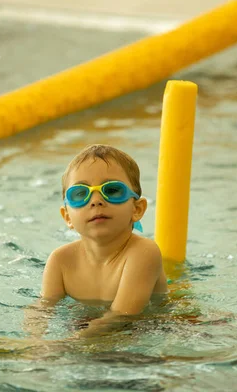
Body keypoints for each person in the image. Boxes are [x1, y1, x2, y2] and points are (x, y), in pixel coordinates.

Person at [24, 144, 168, 339]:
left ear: (137, 209)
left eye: (112, 190)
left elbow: (122, 316)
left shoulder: (143, 253)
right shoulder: (61, 260)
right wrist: (34, 341)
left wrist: (66, 346)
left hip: (149, 329)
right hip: (87, 330)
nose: (96, 200)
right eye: (80, 194)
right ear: (67, 216)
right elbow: (42, 308)